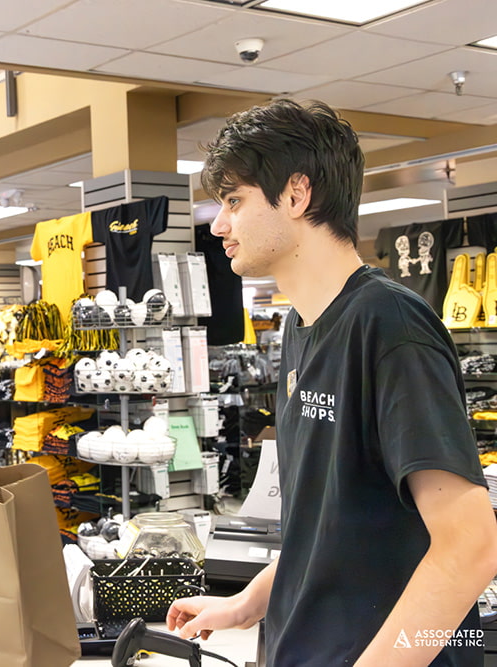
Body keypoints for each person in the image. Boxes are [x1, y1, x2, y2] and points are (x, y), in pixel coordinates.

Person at [167, 99, 497, 665]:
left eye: (234, 200)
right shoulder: (300, 326)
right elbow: (329, 528)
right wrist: (246, 603)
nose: (218, 224)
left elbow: (471, 546)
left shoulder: (390, 326)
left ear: (297, 195)